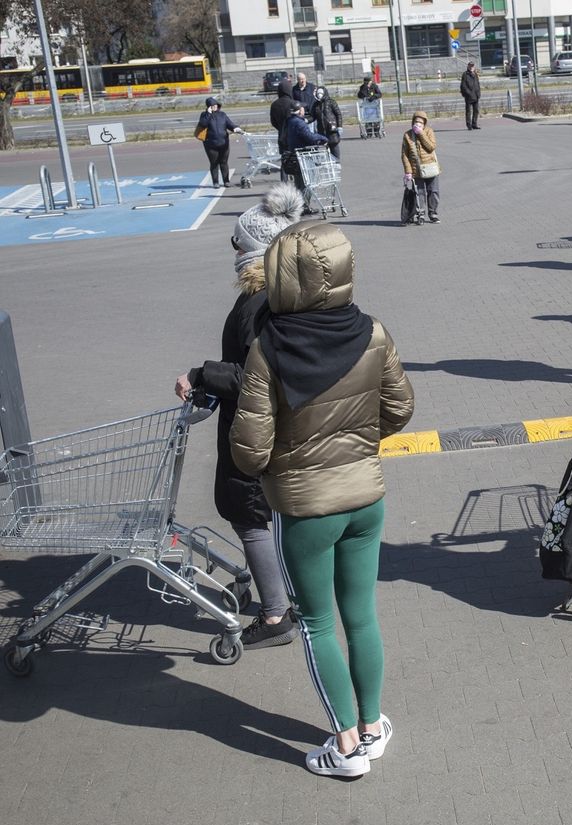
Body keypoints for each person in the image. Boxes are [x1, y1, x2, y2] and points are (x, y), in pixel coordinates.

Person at [229, 220, 415, 778]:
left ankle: (348, 747)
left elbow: (250, 450)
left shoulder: (268, 349)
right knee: (361, 615)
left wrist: (287, 463)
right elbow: (400, 409)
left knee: (316, 623)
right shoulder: (373, 332)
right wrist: (358, 445)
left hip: (307, 509)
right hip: (366, 499)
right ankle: (374, 723)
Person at [174, 184, 305, 650]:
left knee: (246, 512)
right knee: (265, 512)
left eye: (236, 242)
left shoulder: (258, 301)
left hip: (254, 428)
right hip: (281, 426)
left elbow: (255, 375)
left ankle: (275, 616)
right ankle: (287, 594)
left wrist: (201, 375)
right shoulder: (292, 290)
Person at [401, 110, 441, 224]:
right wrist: (408, 171)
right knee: (420, 193)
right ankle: (420, 215)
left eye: (421, 123)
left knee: (433, 191)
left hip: (431, 168)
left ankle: (433, 213)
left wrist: (421, 133)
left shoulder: (428, 131)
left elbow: (431, 147)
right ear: (412, 122)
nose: (418, 124)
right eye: (416, 122)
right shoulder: (407, 135)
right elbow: (404, 155)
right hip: (416, 169)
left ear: (424, 124)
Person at [195, 97, 242, 188]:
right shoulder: (204, 115)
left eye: (216, 105)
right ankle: (215, 182)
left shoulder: (222, 114)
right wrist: (208, 114)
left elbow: (229, 124)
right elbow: (203, 124)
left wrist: (235, 128)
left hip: (224, 143)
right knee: (214, 163)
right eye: (213, 105)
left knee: (224, 162)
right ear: (209, 107)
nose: (215, 106)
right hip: (210, 144)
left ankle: (226, 181)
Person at [282, 101, 329, 193]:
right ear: (300, 111)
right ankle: (304, 204)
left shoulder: (289, 121)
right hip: (303, 154)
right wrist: (323, 138)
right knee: (307, 181)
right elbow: (309, 137)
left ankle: (300, 204)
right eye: (303, 108)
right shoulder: (300, 123)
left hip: (295, 153)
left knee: (299, 181)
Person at [269, 78, 295, 178]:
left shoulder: (274, 105)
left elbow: (273, 122)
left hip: (282, 136)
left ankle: (284, 182)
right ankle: (297, 183)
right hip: (294, 136)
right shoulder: (293, 103)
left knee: (284, 161)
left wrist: (281, 128)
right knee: (296, 159)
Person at [310, 87, 342, 160]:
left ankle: (336, 162)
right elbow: (313, 117)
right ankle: (329, 163)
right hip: (322, 130)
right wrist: (306, 120)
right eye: (318, 93)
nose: (319, 95)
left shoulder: (331, 102)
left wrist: (340, 126)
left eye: (321, 93)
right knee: (325, 147)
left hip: (332, 130)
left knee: (334, 146)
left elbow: (338, 114)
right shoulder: (315, 105)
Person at [460, 61, 482, 130]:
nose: (471, 67)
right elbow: (463, 86)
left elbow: (477, 84)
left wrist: (479, 93)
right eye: (470, 66)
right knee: (468, 111)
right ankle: (469, 125)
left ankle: (474, 124)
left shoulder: (475, 74)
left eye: (472, 66)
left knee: (476, 111)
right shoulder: (465, 74)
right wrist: (468, 93)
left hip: (476, 95)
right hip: (469, 96)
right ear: (468, 66)